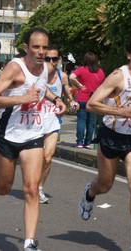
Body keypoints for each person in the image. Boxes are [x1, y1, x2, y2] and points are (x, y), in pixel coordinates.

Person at [0, 27, 66, 251]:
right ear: (26, 48)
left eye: (44, 47)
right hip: (9, 133)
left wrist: (56, 99)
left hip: (33, 134)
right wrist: (21, 98)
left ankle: (29, 243)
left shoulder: (46, 68)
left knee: (31, 188)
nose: (40, 51)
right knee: (5, 186)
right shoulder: (14, 69)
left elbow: (41, 87)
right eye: (36, 47)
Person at [78, 35, 131, 251]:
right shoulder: (118, 76)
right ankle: (89, 193)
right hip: (111, 136)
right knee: (105, 185)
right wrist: (122, 111)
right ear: (129, 54)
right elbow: (92, 104)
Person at [38, 44, 79, 204]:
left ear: (59, 59)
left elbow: (69, 95)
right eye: (47, 58)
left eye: (54, 58)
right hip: (34, 121)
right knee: (34, 158)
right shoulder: (36, 75)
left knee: (47, 158)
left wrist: (73, 102)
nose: (51, 61)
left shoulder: (62, 76)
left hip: (53, 120)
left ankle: (39, 188)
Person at [69, 52, 105, 148]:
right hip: (94, 99)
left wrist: (79, 84)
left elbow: (71, 77)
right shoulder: (100, 71)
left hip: (82, 98)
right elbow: (103, 84)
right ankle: (88, 142)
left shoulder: (81, 69)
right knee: (91, 122)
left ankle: (79, 142)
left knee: (81, 121)